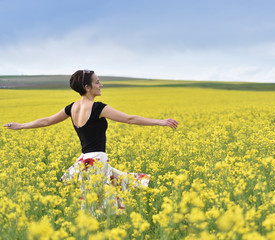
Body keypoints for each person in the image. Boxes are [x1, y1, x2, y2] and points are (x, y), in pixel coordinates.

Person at [3, 69, 179, 212]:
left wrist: (21, 126)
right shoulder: (98, 108)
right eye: (97, 82)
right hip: (98, 161)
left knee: (100, 195)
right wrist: (160, 121)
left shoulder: (71, 108)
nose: (101, 85)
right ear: (87, 87)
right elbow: (130, 119)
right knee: (99, 205)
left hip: (85, 160)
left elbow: (46, 121)